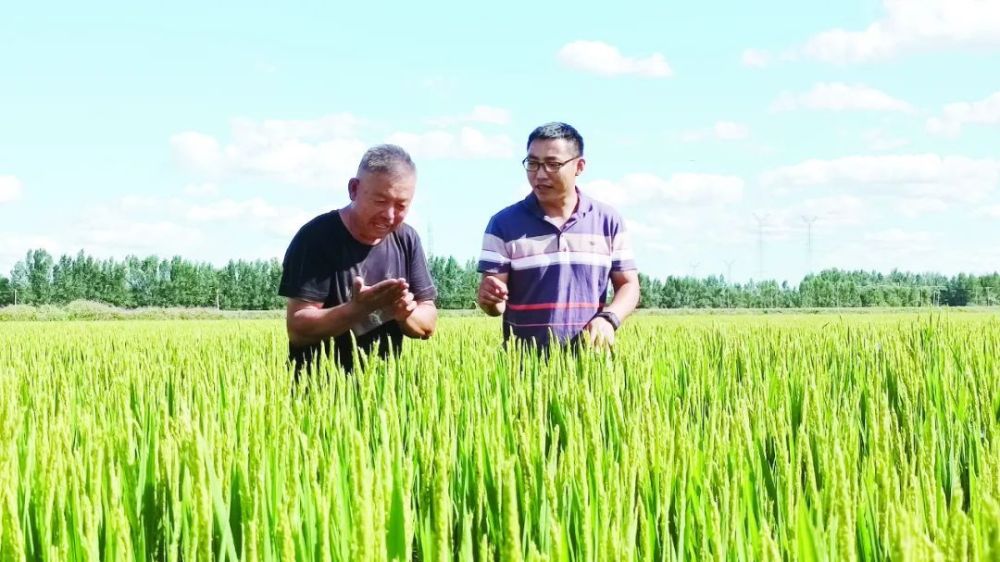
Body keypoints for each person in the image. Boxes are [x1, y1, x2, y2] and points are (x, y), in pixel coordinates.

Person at [476, 122, 640, 352]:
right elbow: (496, 304)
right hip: (523, 369)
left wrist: (609, 319)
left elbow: (629, 285)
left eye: (553, 164)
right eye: (532, 163)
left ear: (579, 166)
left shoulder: (608, 220)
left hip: (592, 364)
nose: (540, 174)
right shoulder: (503, 224)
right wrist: (489, 301)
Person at [279, 144, 437, 374]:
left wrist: (405, 315)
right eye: (381, 201)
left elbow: (428, 320)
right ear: (354, 189)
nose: (390, 215)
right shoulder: (316, 238)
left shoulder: (407, 238)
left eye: (401, 205)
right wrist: (359, 309)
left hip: (385, 394)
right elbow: (299, 329)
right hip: (317, 394)